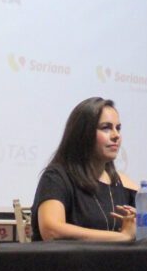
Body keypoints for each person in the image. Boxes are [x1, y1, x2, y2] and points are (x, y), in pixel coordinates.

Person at [32, 97, 138, 241]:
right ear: (83, 134)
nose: (116, 135)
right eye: (106, 128)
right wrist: (121, 237)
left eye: (118, 128)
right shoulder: (56, 177)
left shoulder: (122, 183)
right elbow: (51, 231)